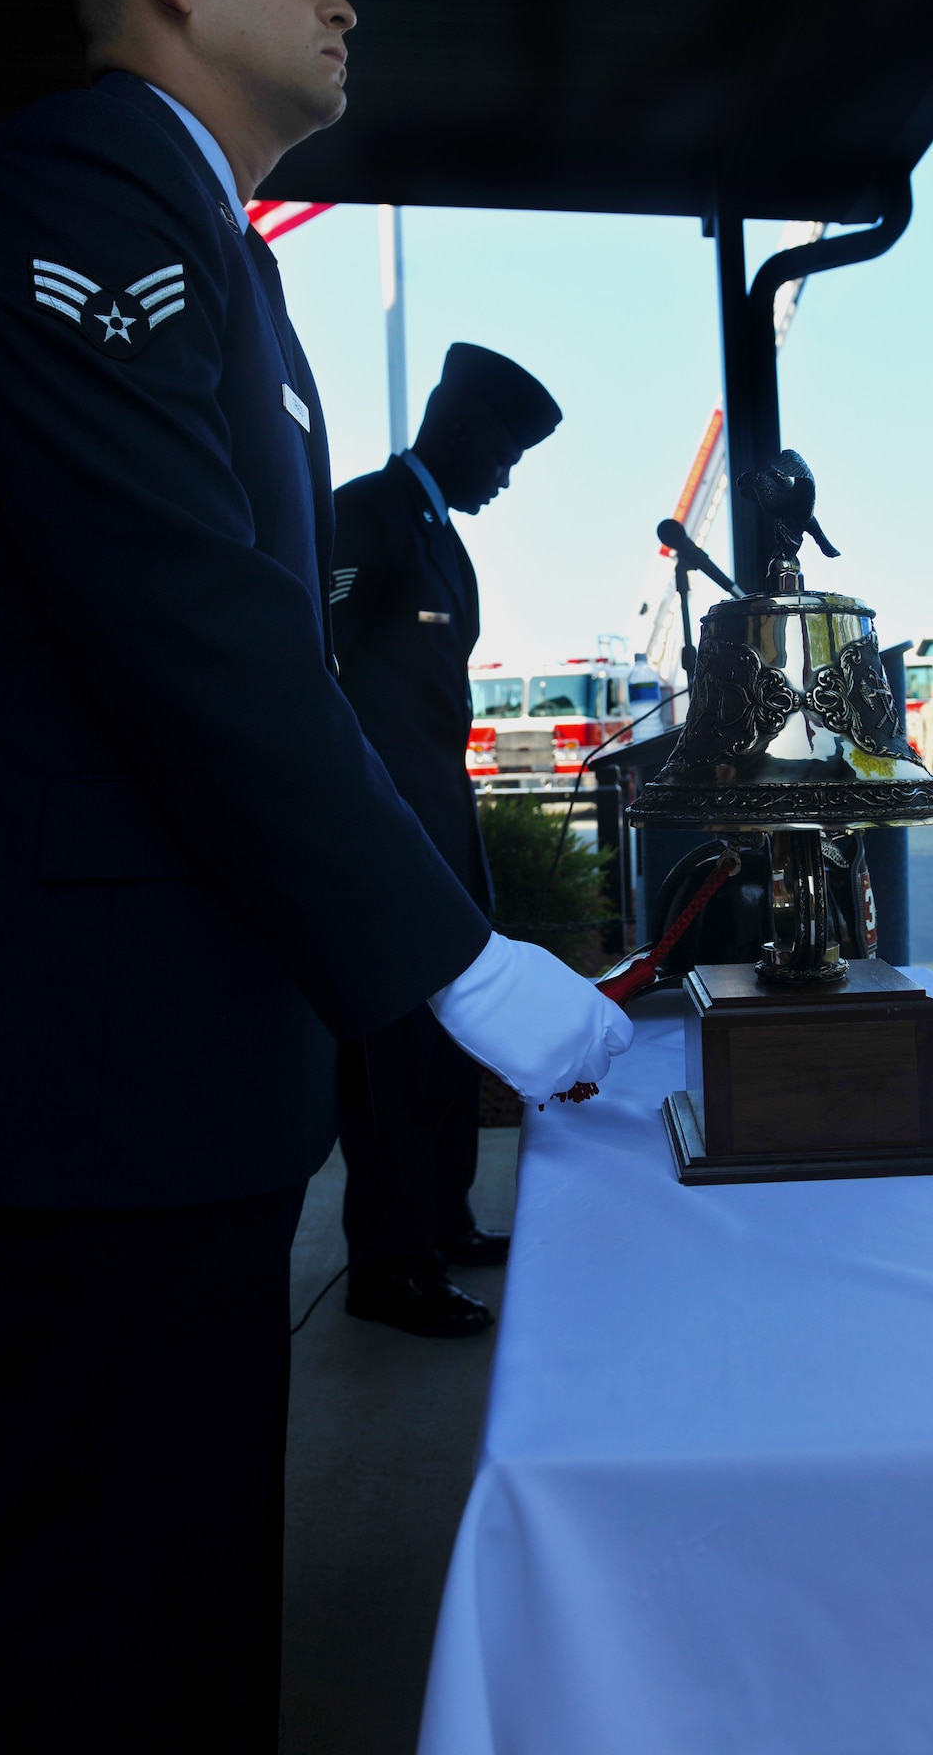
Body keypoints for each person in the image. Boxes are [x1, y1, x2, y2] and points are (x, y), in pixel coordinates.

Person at [0, 0, 631, 1754]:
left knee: (198, 1608)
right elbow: (188, 620)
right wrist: (450, 956)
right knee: (127, 1629)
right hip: (93, 1071)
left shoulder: (201, 238)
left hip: (177, 1067)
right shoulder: (72, 190)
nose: (344, 4)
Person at [331, 344, 561, 1337]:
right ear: (461, 431)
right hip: (379, 836)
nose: (506, 478)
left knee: (445, 1035)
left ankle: (443, 1219)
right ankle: (390, 1265)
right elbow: (317, 671)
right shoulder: (366, 515)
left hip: (437, 824)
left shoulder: (435, 532)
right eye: (505, 455)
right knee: (390, 1051)